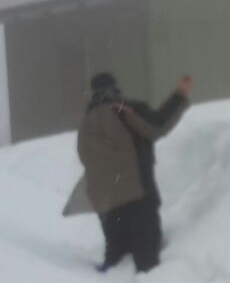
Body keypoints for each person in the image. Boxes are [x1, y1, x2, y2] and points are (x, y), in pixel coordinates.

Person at [77, 71, 192, 272]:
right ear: (116, 89)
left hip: (106, 203)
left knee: (117, 259)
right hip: (137, 196)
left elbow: (85, 159)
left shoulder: (86, 123)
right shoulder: (123, 109)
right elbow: (157, 125)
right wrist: (180, 95)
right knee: (146, 260)